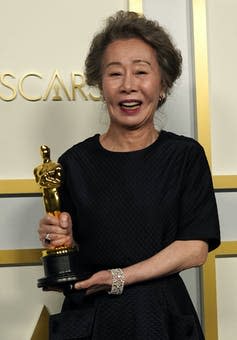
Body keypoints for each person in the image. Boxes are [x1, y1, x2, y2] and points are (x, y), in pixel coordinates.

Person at [38, 10, 220, 340]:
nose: (128, 86)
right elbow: (70, 254)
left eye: (141, 72)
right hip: (91, 319)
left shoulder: (184, 157)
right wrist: (57, 238)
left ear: (162, 84)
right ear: (100, 84)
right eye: (115, 74)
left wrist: (119, 277)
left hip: (161, 317)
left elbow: (195, 248)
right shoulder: (73, 163)